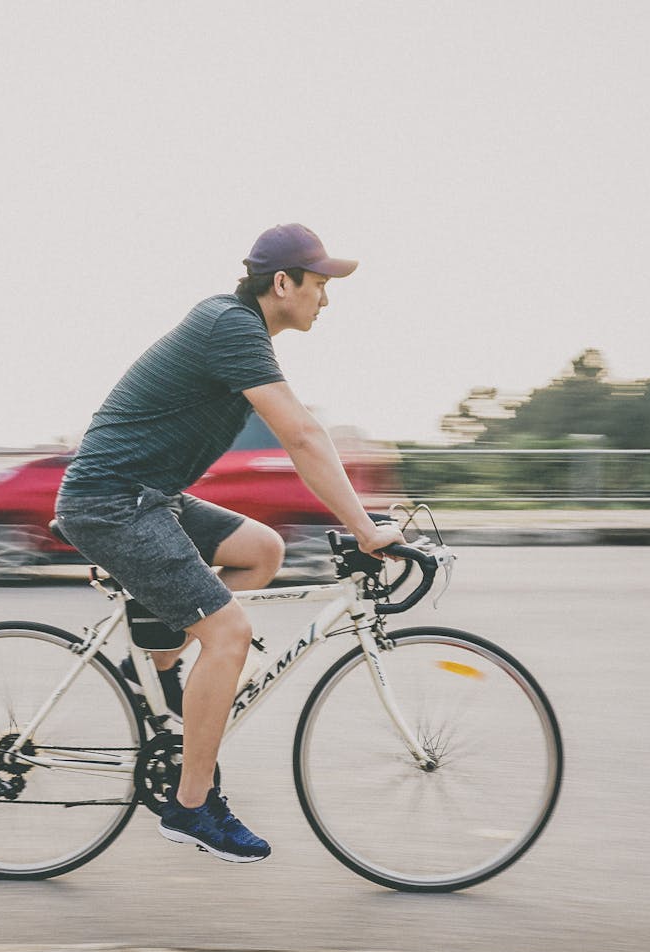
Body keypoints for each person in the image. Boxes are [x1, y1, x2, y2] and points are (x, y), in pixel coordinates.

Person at [53, 223, 405, 863]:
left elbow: (302, 435)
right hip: (115, 502)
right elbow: (301, 436)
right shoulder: (231, 326)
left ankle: (159, 645)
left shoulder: (240, 331)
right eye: (319, 285)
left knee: (262, 550)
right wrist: (366, 529)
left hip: (146, 496)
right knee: (230, 634)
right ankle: (191, 808)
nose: (325, 300)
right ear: (282, 283)